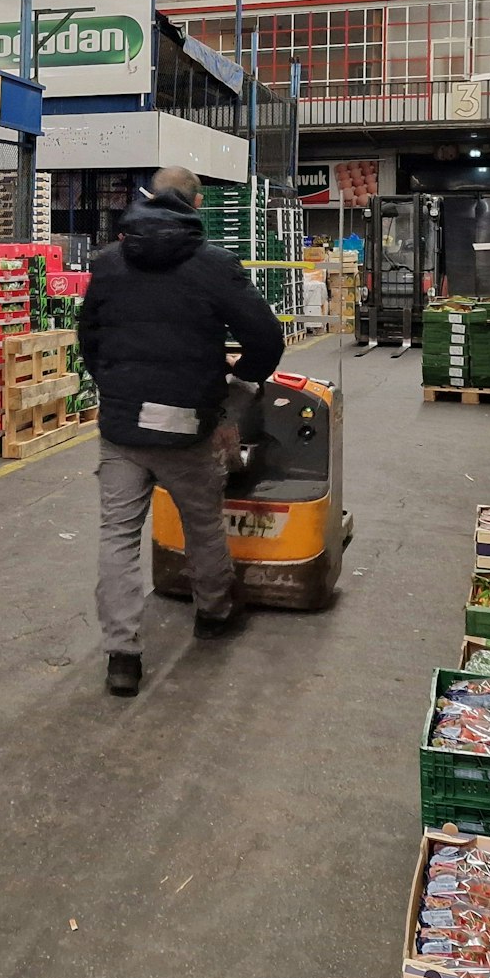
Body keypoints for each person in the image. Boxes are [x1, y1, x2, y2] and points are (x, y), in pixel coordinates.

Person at [78, 165, 286, 698]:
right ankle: (214, 613)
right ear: (195, 206)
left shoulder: (108, 263)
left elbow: (89, 341)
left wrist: (117, 389)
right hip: (188, 424)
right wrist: (235, 386)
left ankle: (122, 655)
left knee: (117, 537)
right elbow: (265, 336)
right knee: (202, 521)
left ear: (147, 199)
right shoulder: (214, 265)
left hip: (122, 427)